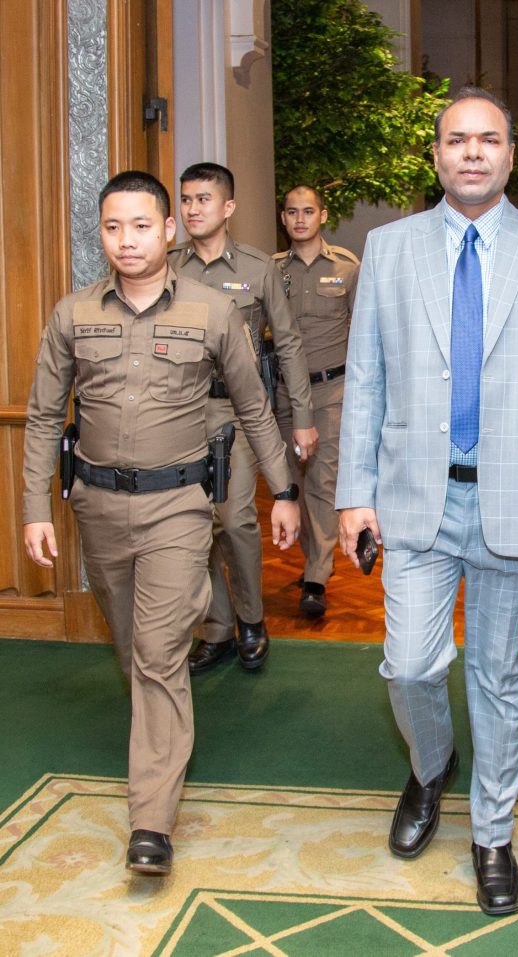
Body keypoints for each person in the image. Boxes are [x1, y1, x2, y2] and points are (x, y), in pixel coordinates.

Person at [336, 86, 518, 917]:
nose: (472, 152)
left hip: (516, 499)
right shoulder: (389, 248)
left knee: (498, 674)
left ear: (510, 156)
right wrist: (354, 494)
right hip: (413, 497)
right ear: (435, 156)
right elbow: (365, 380)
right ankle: (431, 767)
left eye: (488, 139)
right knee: (410, 664)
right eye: (457, 139)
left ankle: (493, 834)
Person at [21, 171, 300, 875]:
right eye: (113, 227)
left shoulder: (213, 312)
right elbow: (44, 417)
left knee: (157, 653)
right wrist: (33, 508)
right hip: (97, 508)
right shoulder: (73, 314)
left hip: (179, 507)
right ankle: (159, 746)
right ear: (102, 233)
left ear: (168, 230)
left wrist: (285, 491)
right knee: (131, 650)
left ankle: (151, 821)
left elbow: (253, 406)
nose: (127, 240)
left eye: (142, 225)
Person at [170, 162, 317, 673]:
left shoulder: (258, 268)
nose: (192, 209)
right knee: (195, 521)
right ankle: (216, 629)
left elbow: (289, 343)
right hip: (182, 412)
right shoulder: (169, 267)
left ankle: (251, 619)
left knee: (234, 518)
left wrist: (303, 415)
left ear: (228, 206)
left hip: (239, 411)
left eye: (203, 199)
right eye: (186, 200)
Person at [273, 185, 360, 617]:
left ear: (322, 216)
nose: (300, 219)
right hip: (285, 393)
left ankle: (316, 576)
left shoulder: (347, 268)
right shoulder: (272, 271)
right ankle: (314, 558)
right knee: (292, 481)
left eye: (308, 211)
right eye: (292, 212)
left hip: (331, 391)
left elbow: (364, 331)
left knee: (323, 481)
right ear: (284, 218)